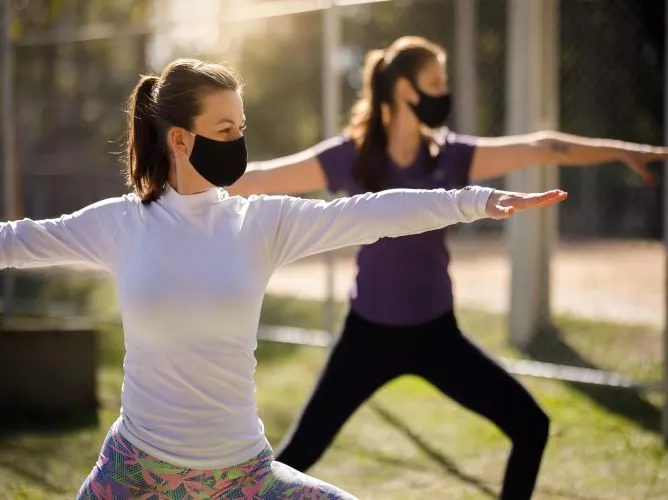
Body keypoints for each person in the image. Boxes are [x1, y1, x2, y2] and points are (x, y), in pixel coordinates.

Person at [0, 58, 565, 499]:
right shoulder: (119, 223)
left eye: (241, 127)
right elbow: (16, 242)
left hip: (242, 477)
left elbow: (372, 213)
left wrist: (478, 201)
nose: (238, 141)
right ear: (179, 138)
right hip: (134, 471)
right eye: (224, 128)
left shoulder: (261, 222)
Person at [228, 36, 668, 499]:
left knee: (531, 425)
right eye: (435, 82)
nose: (445, 92)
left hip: (438, 336)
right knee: (292, 462)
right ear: (403, 89)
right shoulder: (353, 155)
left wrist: (621, 150)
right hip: (366, 339)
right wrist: (171, 181)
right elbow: (262, 179)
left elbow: (545, 146)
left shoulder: (451, 155)